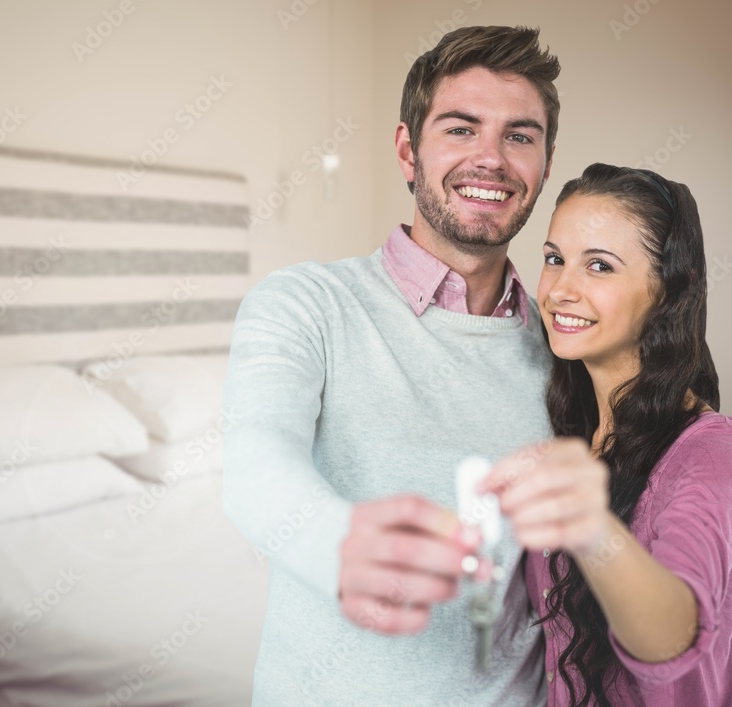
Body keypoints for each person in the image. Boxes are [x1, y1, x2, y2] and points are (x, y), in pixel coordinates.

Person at [224, 25, 559, 705]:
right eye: (461, 129)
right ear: (408, 150)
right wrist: (335, 540)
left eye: (519, 136)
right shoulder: (306, 304)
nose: (490, 159)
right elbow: (254, 463)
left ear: (545, 165)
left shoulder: (564, 343)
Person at [482, 164, 731, 705]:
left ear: (667, 290)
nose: (560, 290)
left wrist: (591, 527)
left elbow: (673, 636)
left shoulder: (710, 453)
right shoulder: (577, 431)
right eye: (554, 259)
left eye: (599, 266)